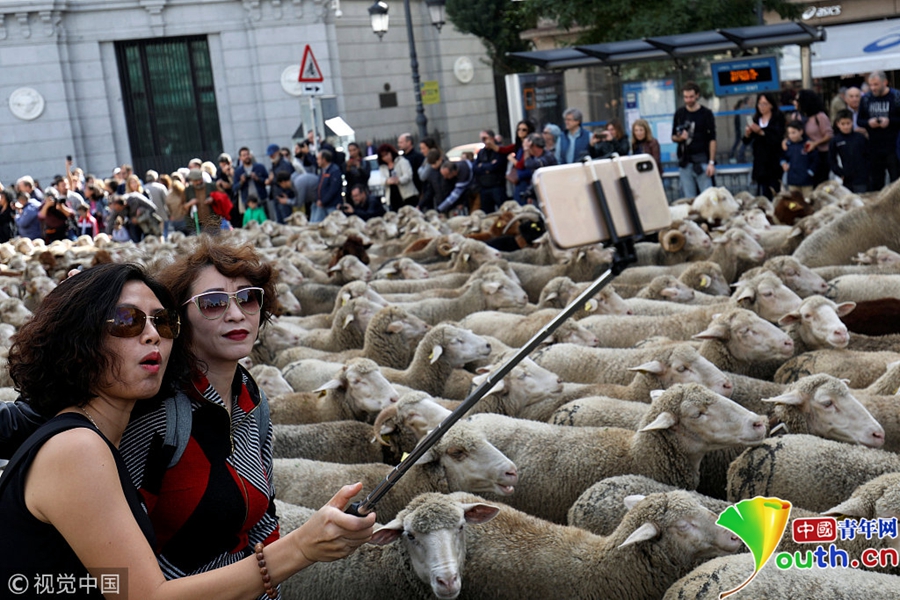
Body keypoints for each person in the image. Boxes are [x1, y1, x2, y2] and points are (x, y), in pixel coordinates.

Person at [0, 259, 375, 599]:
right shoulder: (78, 448)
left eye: (162, 322)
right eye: (127, 320)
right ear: (79, 340)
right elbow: (146, 596)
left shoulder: (99, 437)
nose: (152, 334)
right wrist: (301, 547)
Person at [672, 81, 717, 198]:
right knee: (689, 198)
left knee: (708, 197)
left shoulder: (706, 113)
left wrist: (711, 162)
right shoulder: (680, 113)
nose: (688, 100)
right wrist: (680, 138)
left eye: (691, 97)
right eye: (686, 97)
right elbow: (673, 136)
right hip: (685, 161)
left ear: (697, 95)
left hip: (702, 159)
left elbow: (712, 139)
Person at [859, 70, 900, 190]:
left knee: (895, 183)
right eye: (870, 85)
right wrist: (868, 123)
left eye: (876, 84)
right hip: (874, 148)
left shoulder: (896, 97)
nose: (873, 88)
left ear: (885, 82)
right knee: (876, 183)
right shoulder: (866, 99)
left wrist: (889, 121)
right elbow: (859, 120)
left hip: (893, 147)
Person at [742, 92, 786, 199]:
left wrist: (762, 132)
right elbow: (746, 141)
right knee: (763, 191)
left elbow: (777, 137)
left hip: (774, 160)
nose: (762, 107)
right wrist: (748, 134)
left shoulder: (778, 118)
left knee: (775, 190)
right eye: (760, 104)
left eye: (765, 104)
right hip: (760, 161)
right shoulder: (756, 119)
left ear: (771, 105)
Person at [793, 89, 832, 186]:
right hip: (804, 155)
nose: (794, 102)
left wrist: (815, 143)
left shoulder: (820, 116)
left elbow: (829, 135)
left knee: (821, 184)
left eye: (797, 100)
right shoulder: (796, 116)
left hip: (821, 154)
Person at [829, 108, 870, 193]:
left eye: (848, 123)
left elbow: (868, 155)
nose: (846, 126)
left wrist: (866, 172)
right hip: (845, 178)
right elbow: (831, 160)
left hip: (861, 178)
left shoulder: (860, 138)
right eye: (843, 124)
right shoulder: (835, 141)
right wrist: (840, 173)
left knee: (861, 198)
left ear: (852, 122)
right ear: (838, 124)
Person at [473, 129, 508, 213]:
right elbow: (475, 168)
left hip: (497, 185)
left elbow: (496, 166)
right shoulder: (481, 152)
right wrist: (487, 167)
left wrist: (482, 166)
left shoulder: (500, 150)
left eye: (485, 138)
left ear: (492, 138)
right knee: (487, 212)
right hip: (484, 186)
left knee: (503, 210)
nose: (483, 141)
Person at [781, 121, 818, 197]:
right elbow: (783, 156)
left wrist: (810, 172)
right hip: (792, 180)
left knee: (807, 200)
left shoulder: (808, 145)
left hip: (806, 181)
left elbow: (816, 160)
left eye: (793, 133)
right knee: (794, 201)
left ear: (801, 131)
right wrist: (783, 163)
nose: (791, 135)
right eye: (789, 133)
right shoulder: (787, 145)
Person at [519, 132, 558, 205]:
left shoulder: (548, 156)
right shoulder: (537, 157)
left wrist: (526, 150)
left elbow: (529, 164)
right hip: (540, 193)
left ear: (533, 146)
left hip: (549, 194)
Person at [377, 143, 417, 212]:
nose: (386, 157)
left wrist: (399, 180)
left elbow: (408, 175)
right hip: (392, 198)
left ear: (391, 152)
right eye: (383, 156)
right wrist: (387, 181)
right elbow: (381, 180)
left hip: (407, 196)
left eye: (387, 154)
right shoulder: (382, 167)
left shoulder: (402, 161)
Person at [233, 147, 269, 219]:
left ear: (251, 155)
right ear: (240, 158)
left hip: (261, 199)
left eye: (247, 154)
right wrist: (241, 182)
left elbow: (267, 181)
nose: (246, 157)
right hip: (248, 202)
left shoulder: (260, 167)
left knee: (265, 220)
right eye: (244, 155)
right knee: (251, 222)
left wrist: (257, 178)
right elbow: (234, 188)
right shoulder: (238, 171)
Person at [506, 120, 536, 204]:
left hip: (526, 180)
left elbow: (522, 165)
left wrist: (511, 159)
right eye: (519, 129)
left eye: (524, 130)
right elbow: (503, 150)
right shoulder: (519, 146)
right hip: (520, 180)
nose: (521, 131)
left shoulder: (529, 146)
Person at [184, 169, 219, 234]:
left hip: (212, 223)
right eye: (196, 181)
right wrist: (190, 203)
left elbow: (222, 198)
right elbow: (183, 206)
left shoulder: (212, 186)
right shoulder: (188, 190)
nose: (199, 182)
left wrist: (213, 199)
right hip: (196, 225)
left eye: (200, 179)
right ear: (191, 181)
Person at [312, 149, 343, 222]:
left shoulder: (334, 171)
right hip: (322, 204)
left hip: (332, 205)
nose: (317, 161)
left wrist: (323, 201)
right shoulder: (322, 170)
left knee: (334, 224)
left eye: (318, 159)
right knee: (317, 223)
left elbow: (333, 189)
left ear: (324, 160)